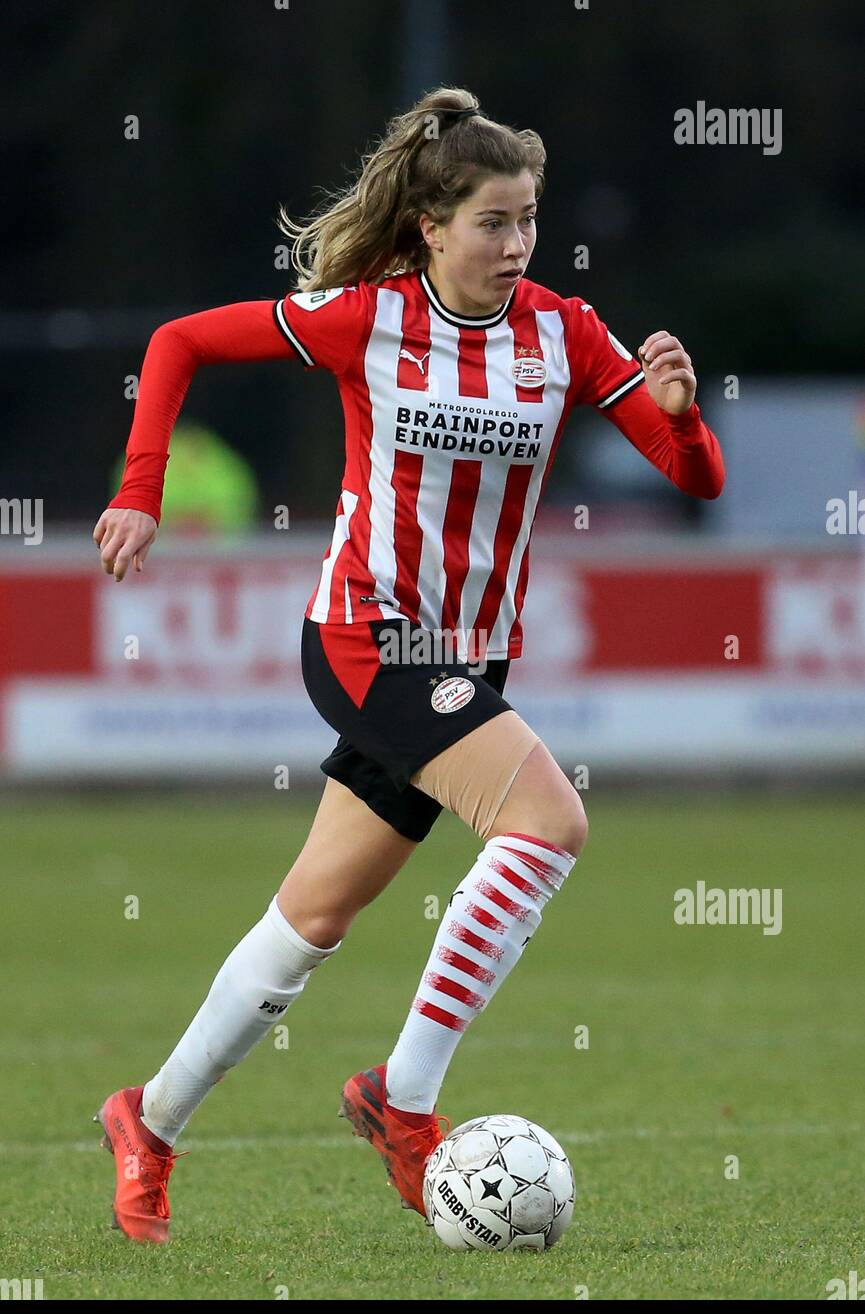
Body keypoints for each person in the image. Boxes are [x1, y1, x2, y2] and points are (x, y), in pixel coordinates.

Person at [92, 86, 725, 1243]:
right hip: (365, 639)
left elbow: (695, 480)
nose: (516, 243)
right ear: (431, 227)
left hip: (467, 666)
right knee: (549, 823)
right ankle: (405, 1098)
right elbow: (177, 343)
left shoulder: (566, 334)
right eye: (492, 221)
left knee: (309, 921)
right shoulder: (367, 319)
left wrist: (682, 418)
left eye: (529, 219)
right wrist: (140, 489)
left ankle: (147, 1117)